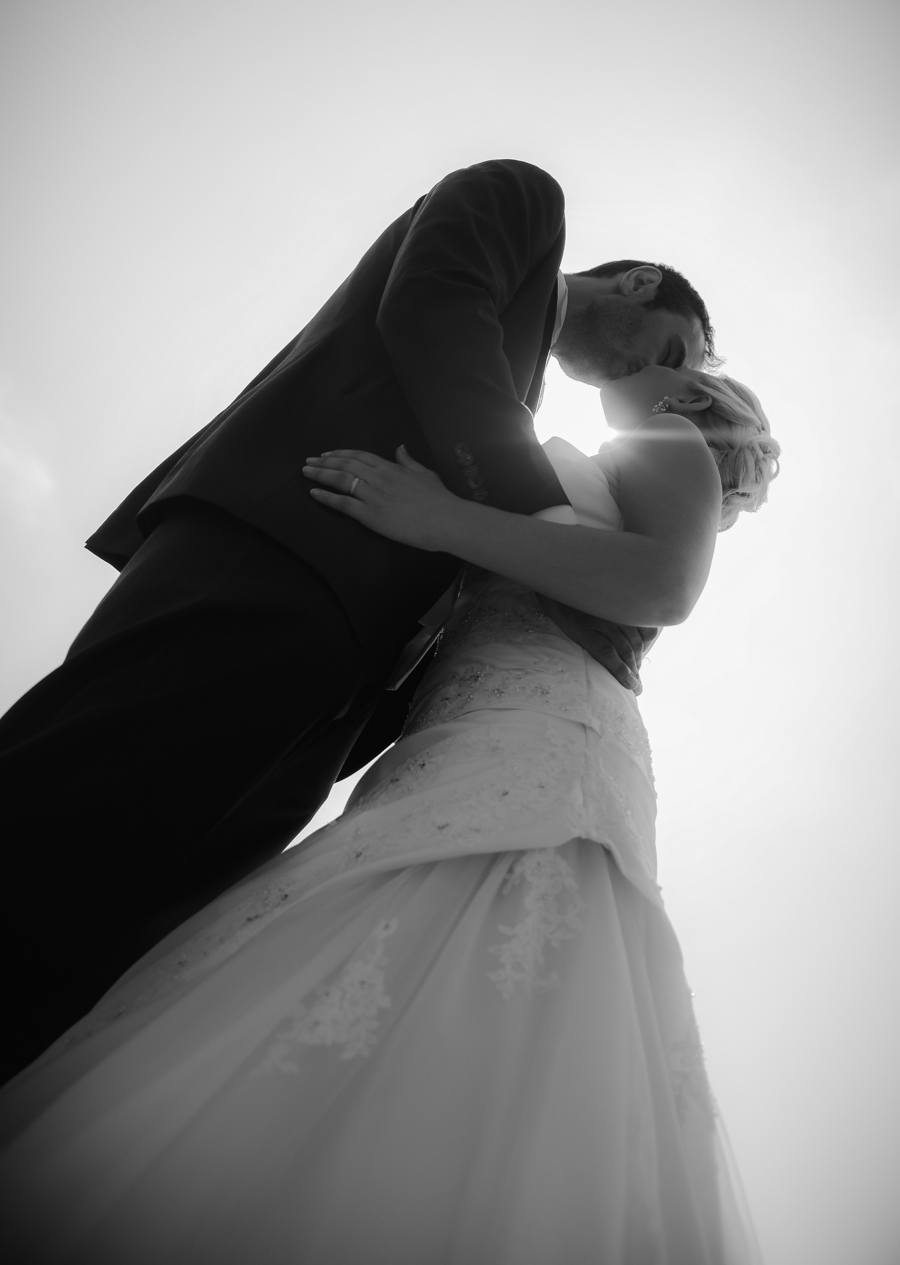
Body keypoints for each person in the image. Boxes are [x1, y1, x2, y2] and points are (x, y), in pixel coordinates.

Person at [0, 363, 779, 1264]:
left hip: (544, 730)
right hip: (452, 729)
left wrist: (434, 518)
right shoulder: (614, 463)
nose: (651, 365)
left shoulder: (667, 440)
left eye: (677, 357)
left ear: (694, 403)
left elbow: (661, 588)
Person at [0, 158, 715, 1084]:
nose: (647, 381)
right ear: (639, 283)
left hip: (344, 686)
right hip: (284, 555)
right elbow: (432, 308)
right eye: (667, 352)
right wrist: (551, 528)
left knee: (134, 922)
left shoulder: (520, 393)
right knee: (69, 805)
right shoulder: (522, 199)